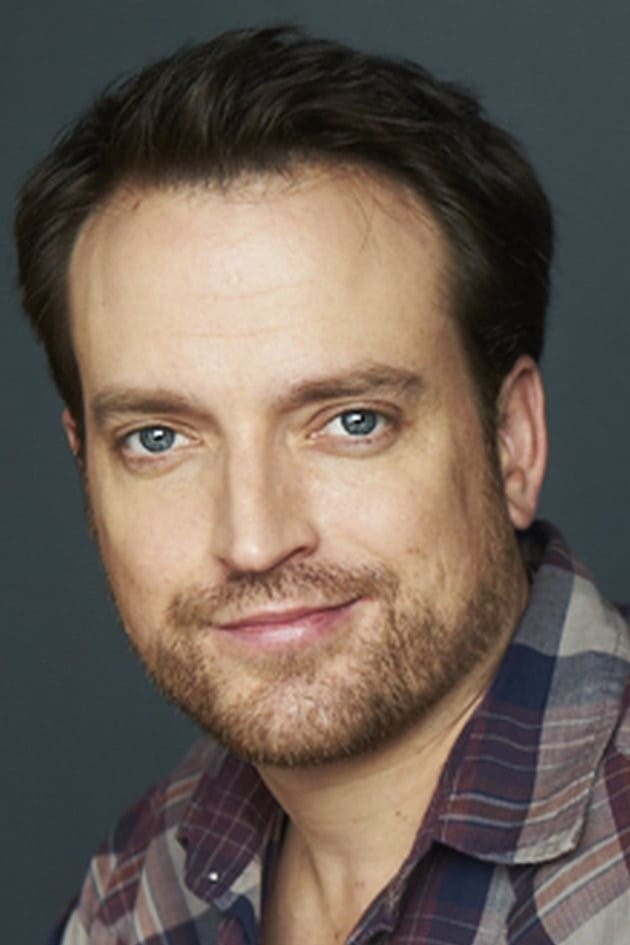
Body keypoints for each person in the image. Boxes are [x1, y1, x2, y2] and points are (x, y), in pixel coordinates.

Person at [15, 25, 629, 945]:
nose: (254, 538)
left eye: (351, 421)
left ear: (511, 441)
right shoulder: (139, 889)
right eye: (158, 438)